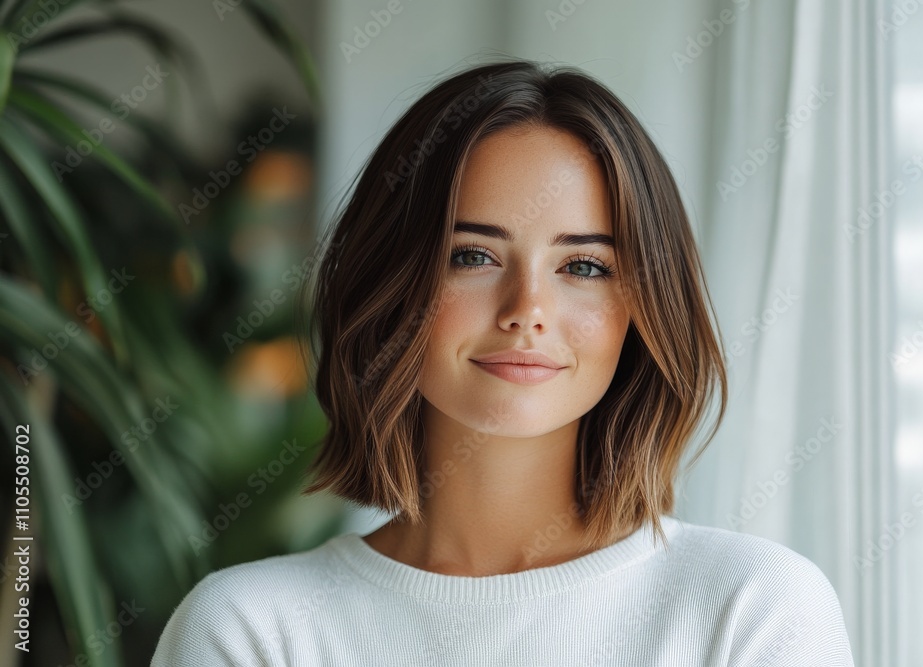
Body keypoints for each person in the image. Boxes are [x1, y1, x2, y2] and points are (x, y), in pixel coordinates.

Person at [151, 58, 855, 666]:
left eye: (583, 265)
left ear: (642, 308)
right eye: (473, 256)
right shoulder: (250, 629)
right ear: (389, 287)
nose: (527, 307)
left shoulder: (753, 609)